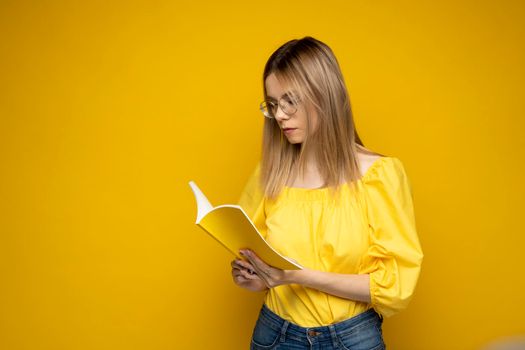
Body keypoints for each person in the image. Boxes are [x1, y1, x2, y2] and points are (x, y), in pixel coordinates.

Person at [231, 36, 423, 350]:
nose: (280, 115)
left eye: (290, 101)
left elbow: (392, 287)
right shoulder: (270, 173)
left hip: (352, 338)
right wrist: (252, 277)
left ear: (325, 96)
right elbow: (260, 260)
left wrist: (296, 275)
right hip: (274, 334)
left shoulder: (379, 175)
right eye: (274, 103)